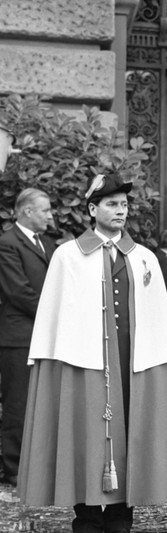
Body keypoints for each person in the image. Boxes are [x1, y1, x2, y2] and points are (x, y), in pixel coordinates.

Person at [18, 172, 167, 533]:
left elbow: (158, 314)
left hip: (131, 360)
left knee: (130, 432)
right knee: (85, 435)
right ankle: (87, 521)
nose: (120, 211)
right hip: (86, 360)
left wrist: (160, 358)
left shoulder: (144, 258)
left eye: (124, 205)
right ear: (93, 209)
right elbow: (54, 313)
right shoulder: (68, 256)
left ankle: (121, 521)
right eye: (111, 204)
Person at [0, 189, 55, 486]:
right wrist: (55, 316)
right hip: (19, 336)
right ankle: (14, 468)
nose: (50, 215)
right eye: (45, 210)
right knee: (18, 404)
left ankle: (37, 463)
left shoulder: (46, 244)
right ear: (26, 211)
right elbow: (18, 292)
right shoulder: (7, 243)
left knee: (42, 402)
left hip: (43, 335)